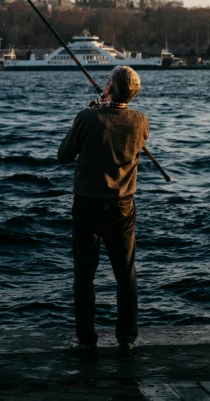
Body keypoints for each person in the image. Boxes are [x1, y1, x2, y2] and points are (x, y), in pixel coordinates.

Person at [57, 65, 149, 349]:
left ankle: (87, 339)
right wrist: (103, 107)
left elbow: (64, 155)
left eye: (107, 81)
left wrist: (95, 109)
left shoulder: (87, 118)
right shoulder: (140, 121)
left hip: (86, 205)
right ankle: (127, 339)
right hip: (122, 207)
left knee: (84, 274)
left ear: (109, 88)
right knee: (126, 273)